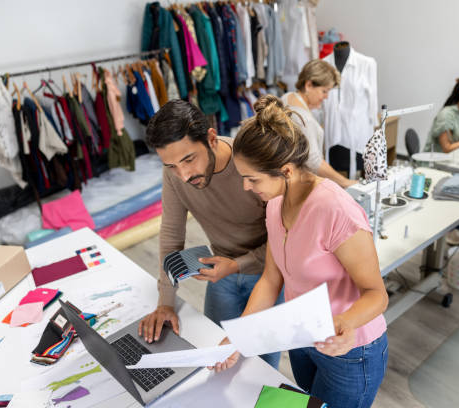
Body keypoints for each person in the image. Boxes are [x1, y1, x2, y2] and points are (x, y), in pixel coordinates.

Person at [213, 95, 389, 408]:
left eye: (252, 179)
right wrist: (239, 336)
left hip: (349, 349)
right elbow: (270, 279)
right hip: (301, 338)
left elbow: (377, 293)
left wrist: (346, 323)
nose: (246, 187)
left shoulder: (336, 211)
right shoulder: (275, 205)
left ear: (287, 171)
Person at [139, 99, 281, 368]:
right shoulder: (175, 172)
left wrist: (238, 265)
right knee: (217, 359)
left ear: (212, 139)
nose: (183, 175)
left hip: (271, 274)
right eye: (171, 166)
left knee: (262, 371)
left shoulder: (252, 166)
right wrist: (166, 303)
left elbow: (284, 239)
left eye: (189, 159)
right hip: (223, 277)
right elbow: (171, 234)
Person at [281, 60, 357, 188]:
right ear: (309, 85)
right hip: (298, 184)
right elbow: (314, 162)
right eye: (324, 91)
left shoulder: (288, 97)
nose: (326, 97)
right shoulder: (304, 120)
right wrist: (346, 182)